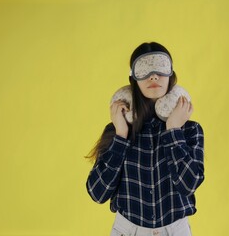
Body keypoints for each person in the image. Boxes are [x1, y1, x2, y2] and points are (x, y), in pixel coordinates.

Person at [85, 42, 204, 236]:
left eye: (160, 68)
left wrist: (173, 130)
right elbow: (98, 193)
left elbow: (188, 185)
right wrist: (121, 137)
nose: (153, 76)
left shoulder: (190, 130)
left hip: (175, 230)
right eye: (144, 70)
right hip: (128, 230)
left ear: (171, 75)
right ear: (133, 79)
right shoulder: (118, 129)